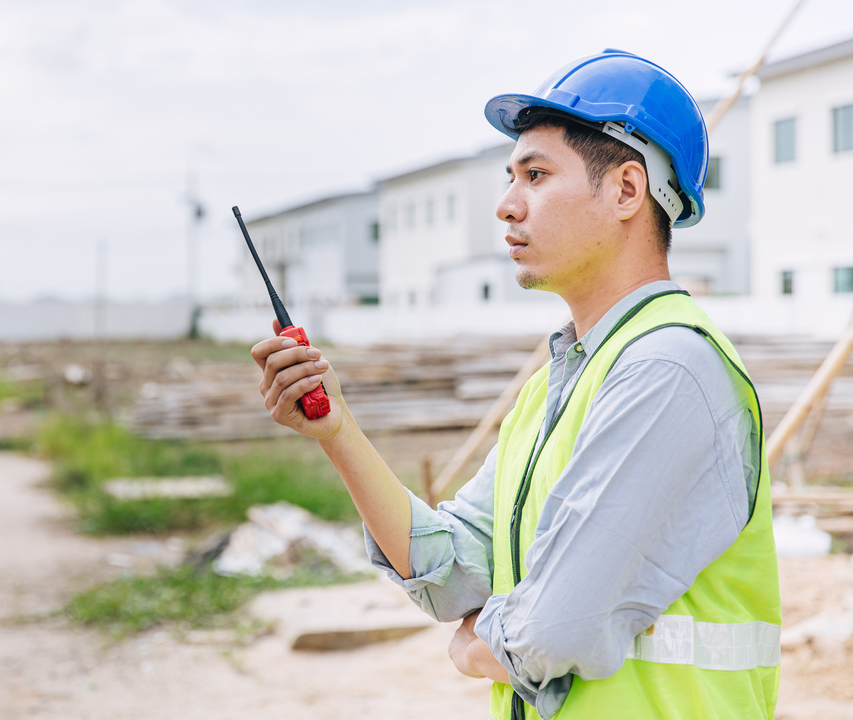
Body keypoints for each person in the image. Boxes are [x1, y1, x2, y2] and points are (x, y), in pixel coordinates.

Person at [252, 49, 780, 720]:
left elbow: (558, 628)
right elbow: (451, 574)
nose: (506, 206)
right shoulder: (555, 388)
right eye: (511, 177)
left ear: (625, 190)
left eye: (535, 174)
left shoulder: (668, 370)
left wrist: (482, 647)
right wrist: (337, 432)